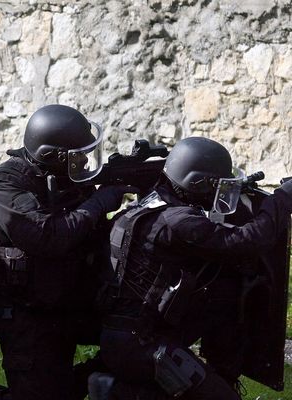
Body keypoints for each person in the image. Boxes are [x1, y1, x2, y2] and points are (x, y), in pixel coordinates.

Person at [0, 104, 135, 400]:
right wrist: (100, 202)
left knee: (135, 342)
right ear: (52, 155)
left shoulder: (66, 179)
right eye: (78, 155)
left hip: (69, 302)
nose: (85, 160)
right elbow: (47, 238)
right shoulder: (6, 185)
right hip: (26, 315)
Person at [92, 137, 292, 400]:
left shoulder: (150, 205)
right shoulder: (179, 221)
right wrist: (282, 198)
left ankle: (115, 389)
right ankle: (113, 390)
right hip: (142, 344)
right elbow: (249, 241)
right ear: (198, 183)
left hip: (123, 336)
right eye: (217, 186)